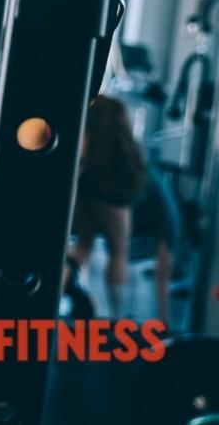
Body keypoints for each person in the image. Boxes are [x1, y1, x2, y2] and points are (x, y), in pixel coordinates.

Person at [68, 94, 148, 318]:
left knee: (84, 245)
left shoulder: (89, 142)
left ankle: (67, 294)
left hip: (88, 193)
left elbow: (78, 170)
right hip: (114, 200)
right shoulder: (121, 148)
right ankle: (115, 314)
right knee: (118, 251)